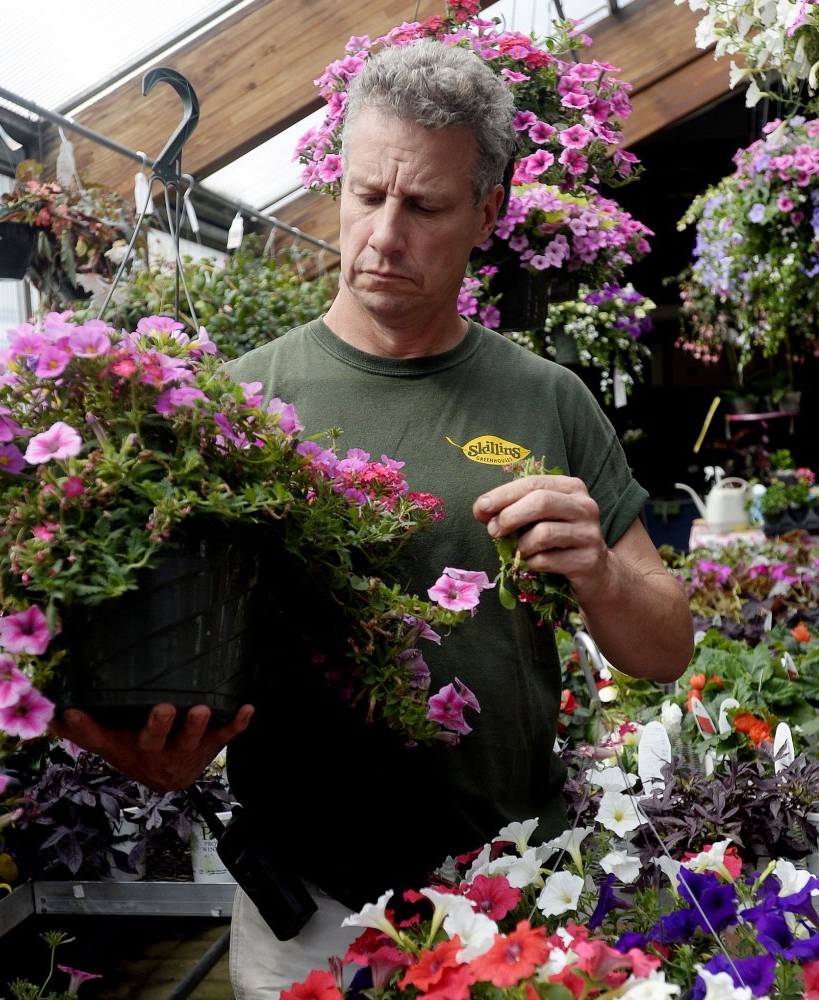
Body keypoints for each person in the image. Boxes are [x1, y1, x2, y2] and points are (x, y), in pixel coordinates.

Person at [53, 39, 693, 998]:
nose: (384, 237)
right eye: (364, 196)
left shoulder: (548, 401)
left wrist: (601, 575)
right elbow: (154, 648)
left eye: (425, 206)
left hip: (509, 906)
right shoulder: (236, 406)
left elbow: (666, 647)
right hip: (307, 914)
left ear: (488, 210)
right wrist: (151, 743)